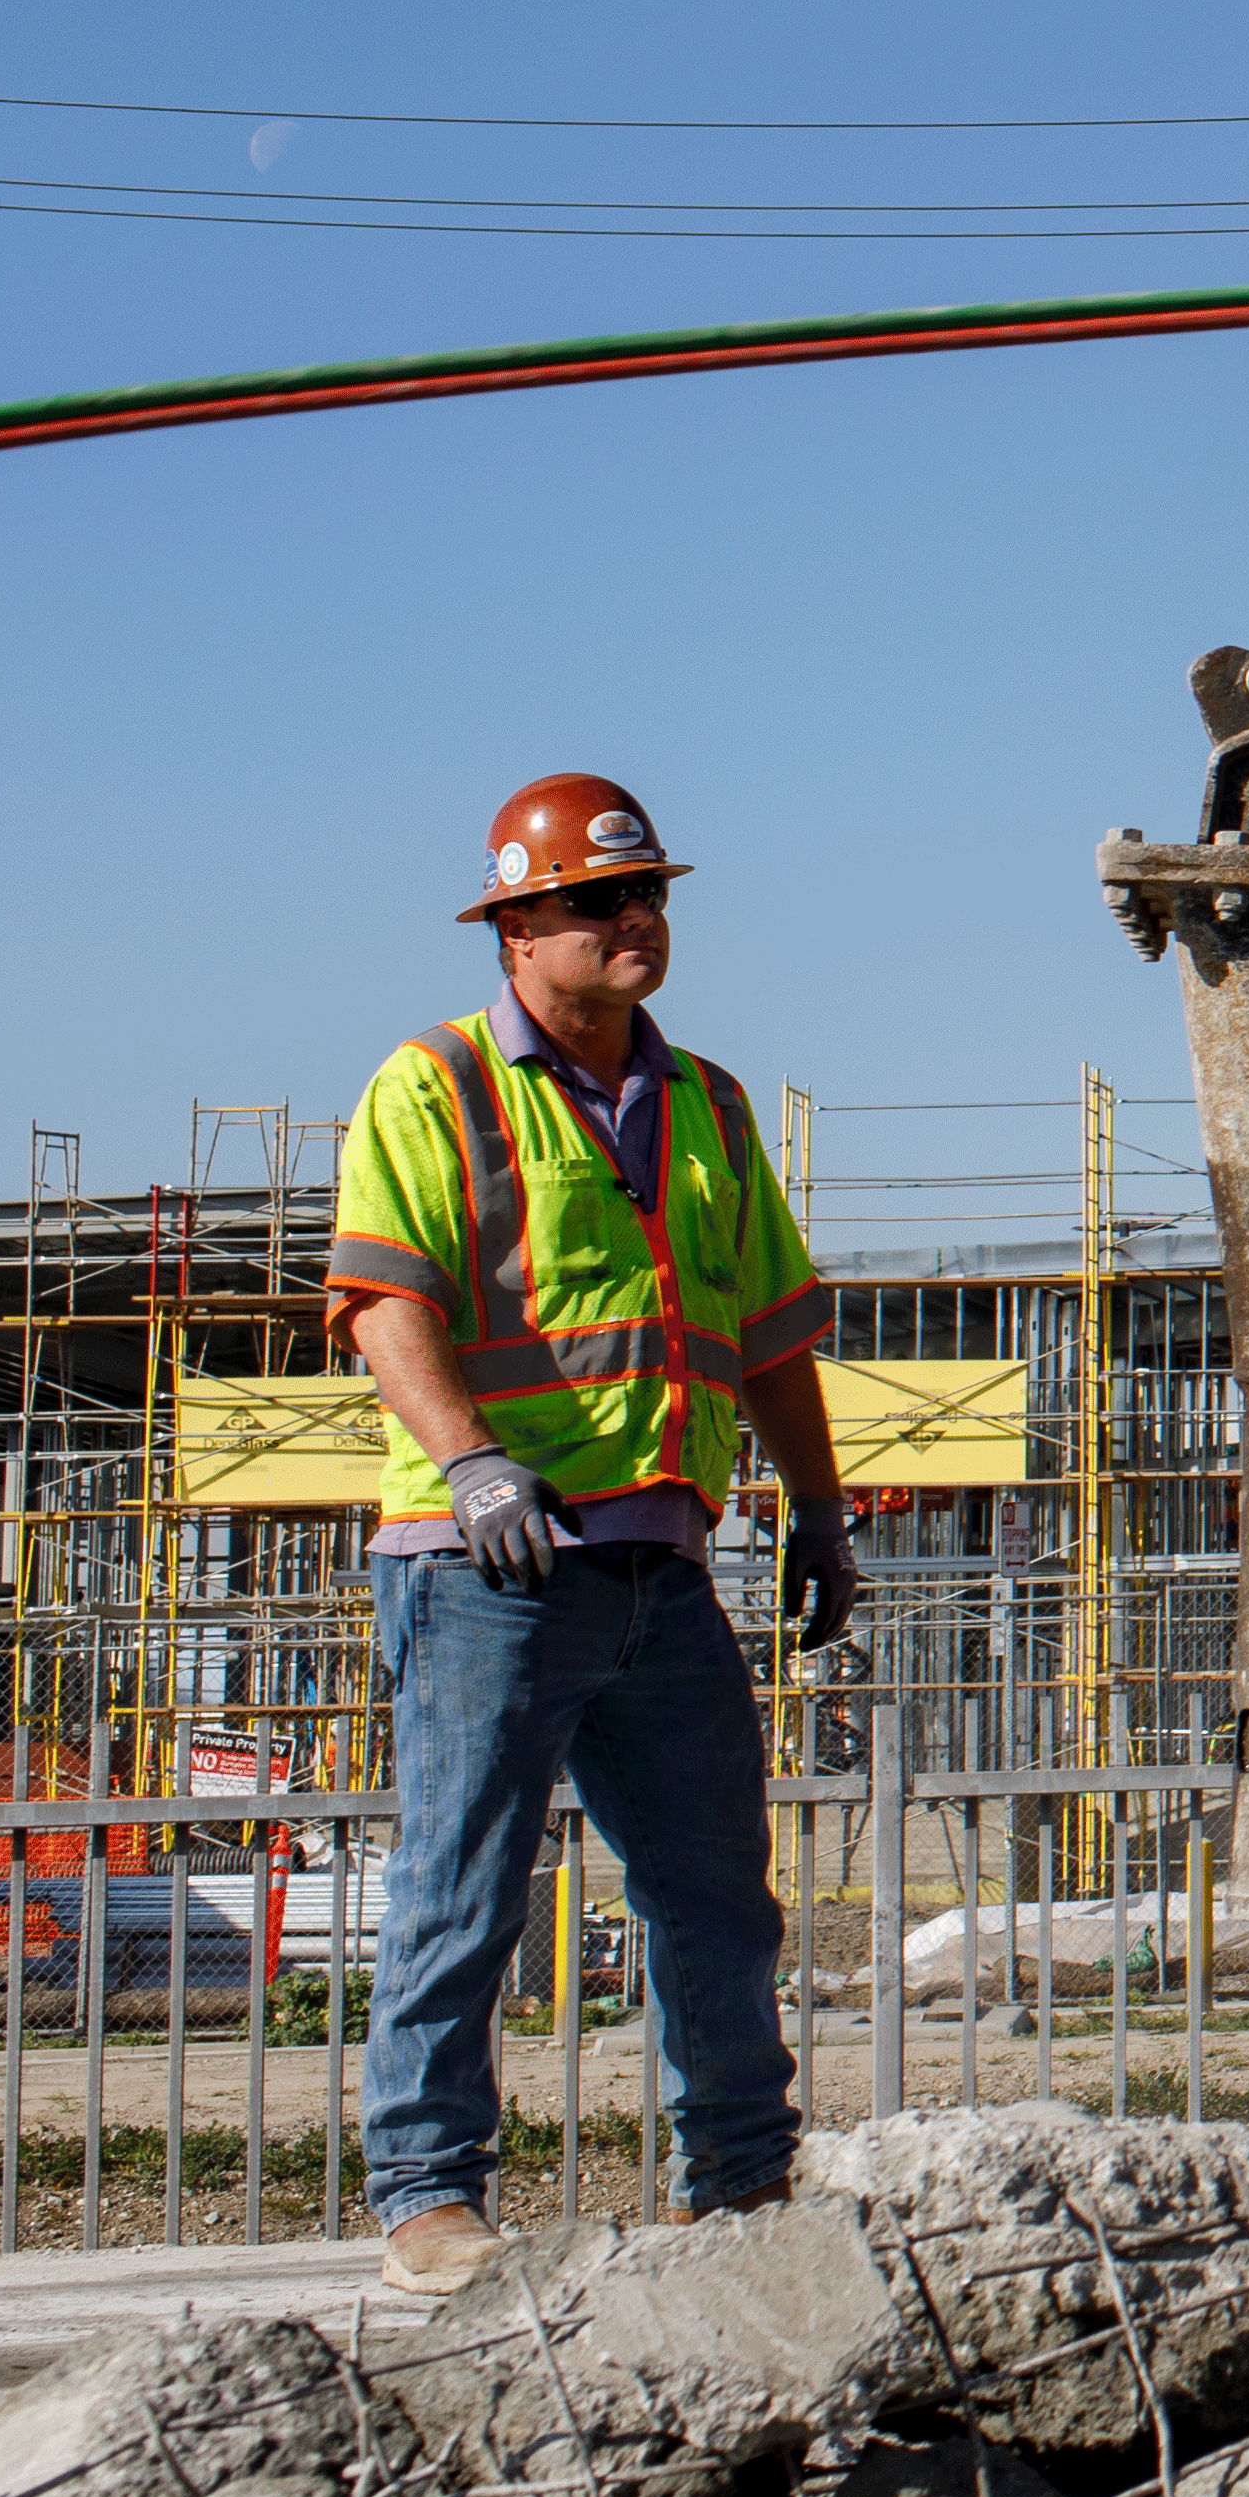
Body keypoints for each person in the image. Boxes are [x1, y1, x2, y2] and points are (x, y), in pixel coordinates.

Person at [330, 774, 857, 2302]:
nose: (640, 922)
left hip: (662, 1564)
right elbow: (387, 1303)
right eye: (600, 902)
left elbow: (766, 1334)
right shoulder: (432, 1088)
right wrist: (473, 1462)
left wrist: (816, 1508)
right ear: (516, 928)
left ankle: (743, 2179)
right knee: (465, 1880)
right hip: (485, 1563)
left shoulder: (706, 1103)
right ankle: (428, 2196)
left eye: (652, 897)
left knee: (717, 1891)